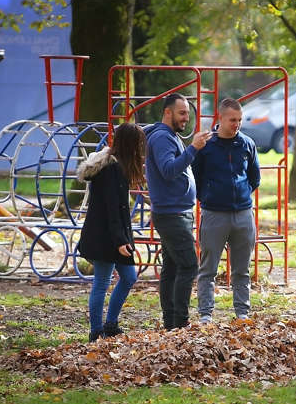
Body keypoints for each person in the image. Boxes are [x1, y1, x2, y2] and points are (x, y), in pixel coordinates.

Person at [145, 93, 212, 329]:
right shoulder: (162, 138)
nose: (186, 118)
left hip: (176, 211)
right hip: (171, 214)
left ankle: (171, 323)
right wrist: (192, 149)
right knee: (188, 265)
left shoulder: (169, 136)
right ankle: (180, 322)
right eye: (182, 113)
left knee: (172, 266)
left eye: (188, 113)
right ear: (167, 112)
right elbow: (168, 170)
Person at [192, 98, 261, 323]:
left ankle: (242, 312)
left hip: (243, 213)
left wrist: (242, 196)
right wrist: (209, 197)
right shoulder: (206, 146)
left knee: (242, 268)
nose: (237, 124)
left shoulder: (247, 144)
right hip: (214, 213)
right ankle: (205, 314)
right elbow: (196, 177)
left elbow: (254, 177)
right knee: (208, 267)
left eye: (239, 120)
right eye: (232, 120)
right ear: (220, 118)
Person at [76, 123, 146, 342]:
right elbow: (111, 208)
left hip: (115, 235)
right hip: (104, 236)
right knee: (102, 282)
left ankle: (111, 324)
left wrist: (125, 238)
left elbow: (119, 208)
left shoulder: (118, 167)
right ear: (129, 144)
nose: (141, 148)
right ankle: (97, 331)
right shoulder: (111, 170)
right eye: (138, 144)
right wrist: (120, 241)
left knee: (128, 277)